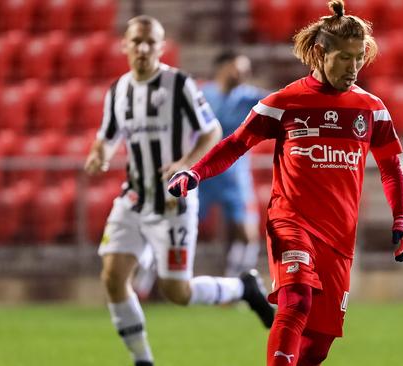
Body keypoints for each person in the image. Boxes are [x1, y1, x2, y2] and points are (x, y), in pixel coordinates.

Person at [167, 1, 403, 365]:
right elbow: (236, 144)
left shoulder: (371, 109)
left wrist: (402, 222)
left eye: (359, 57)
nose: (354, 67)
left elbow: (391, 168)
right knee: (296, 298)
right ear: (319, 52)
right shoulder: (285, 102)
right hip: (291, 221)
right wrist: (195, 172)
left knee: (318, 346)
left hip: (339, 237)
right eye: (345, 57)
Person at [83, 15, 274, 366]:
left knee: (177, 292)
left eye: (150, 42)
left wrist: (184, 162)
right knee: (112, 277)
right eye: (136, 41)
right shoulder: (118, 90)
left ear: (161, 46)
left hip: (173, 202)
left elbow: (211, 132)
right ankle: (143, 359)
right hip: (134, 199)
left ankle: (243, 289)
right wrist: (100, 156)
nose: (142, 48)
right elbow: (107, 137)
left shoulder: (180, 85)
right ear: (124, 45)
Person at [199, 51, 269, 277]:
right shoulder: (201, 95)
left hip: (234, 174)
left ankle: (237, 282)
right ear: (224, 67)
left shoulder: (247, 96)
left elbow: (276, 100)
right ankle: (151, 284)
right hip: (202, 173)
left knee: (247, 233)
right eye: (239, 68)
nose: (244, 74)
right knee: (176, 226)